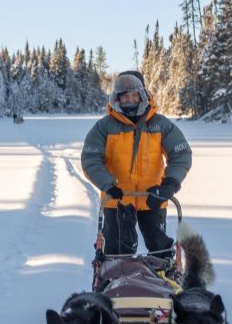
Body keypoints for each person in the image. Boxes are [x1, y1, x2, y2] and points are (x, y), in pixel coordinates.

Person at [81, 70, 192, 256]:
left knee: (160, 249)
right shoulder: (104, 127)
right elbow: (91, 159)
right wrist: (107, 185)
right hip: (116, 199)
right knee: (117, 252)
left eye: (134, 95)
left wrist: (170, 184)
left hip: (153, 197)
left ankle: (162, 278)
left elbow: (180, 153)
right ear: (117, 98)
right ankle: (114, 281)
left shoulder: (160, 124)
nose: (130, 100)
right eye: (125, 97)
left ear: (143, 95)